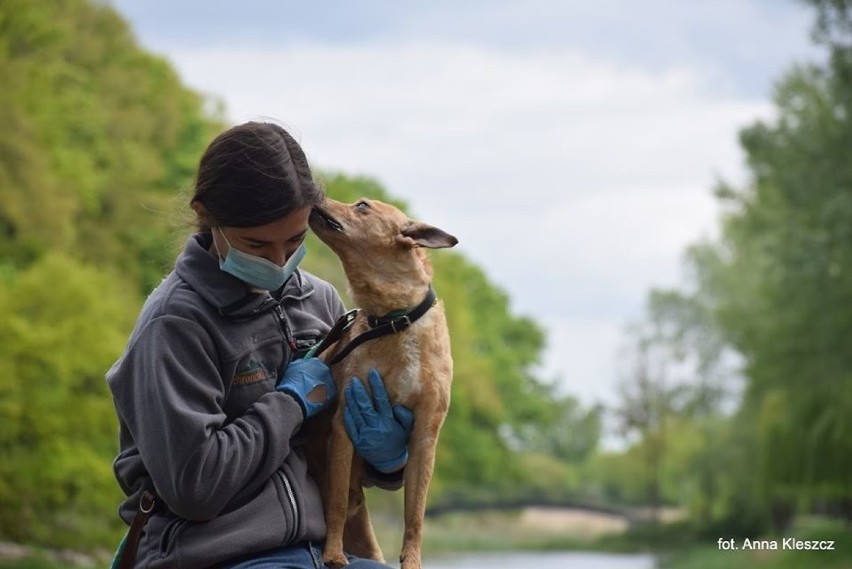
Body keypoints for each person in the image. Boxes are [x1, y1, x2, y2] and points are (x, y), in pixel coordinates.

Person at [106, 121, 413, 569]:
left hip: (319, 553)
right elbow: (195, 488)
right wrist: (288, 403)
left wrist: (386, 458)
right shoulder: (175, 324)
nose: (279, 261)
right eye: (256, 244)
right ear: (208, 217)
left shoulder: (321, 301)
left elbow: (337, 461)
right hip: (210, 556)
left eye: (295, 240)